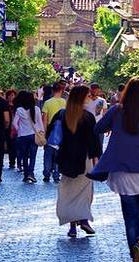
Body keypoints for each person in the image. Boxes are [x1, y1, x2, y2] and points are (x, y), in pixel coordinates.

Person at [89, 76, 139, 262]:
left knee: (131, 217)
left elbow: (98, 128)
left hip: (122, 173)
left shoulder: (117, 111)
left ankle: (135, 255)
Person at [54, 85, 101, 238]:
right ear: (81, 98)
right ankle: (84, 219)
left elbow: (51, 133)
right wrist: (97, 159)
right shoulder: (87, 117)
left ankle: (72, 226)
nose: (89, 97)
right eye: (87, 95)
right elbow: (94, 141)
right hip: (84, 159)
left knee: (68, 192)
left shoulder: (62, 115)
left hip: (66, 159)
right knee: (84, 192)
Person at [12, 90, 44, 184]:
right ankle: (31, 173)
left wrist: (19, 130)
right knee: (33, 156)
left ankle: (26, 175)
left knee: (25, 156)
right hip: (34, 135)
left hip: (23, 136)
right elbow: (40, 122)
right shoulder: (36, 109)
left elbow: (14, 123)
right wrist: (42, 132)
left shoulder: (19, 110)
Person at [41, 83, 67, 183]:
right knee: (58, 154)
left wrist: (44, 133)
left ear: (52, 91)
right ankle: (56, 174)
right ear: (61, 90)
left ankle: (47, 174)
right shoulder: (64, 102)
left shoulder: (47, 103)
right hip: (62, 131)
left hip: (50, 130)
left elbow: (45, 120)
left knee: (48, 154)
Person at [87, 83, 108, 153]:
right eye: (93, 89)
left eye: (96, 89)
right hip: (87, 127)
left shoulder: (102, 101)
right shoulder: (85, 100)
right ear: (90, 90)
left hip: (99, 126)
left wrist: (106, 126)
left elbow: (105, 114)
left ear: (99, 90)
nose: (94, 91)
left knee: (99, 147)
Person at [4, 90, 19, 172]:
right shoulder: (5, 105)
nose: (12, 97)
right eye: (10, 95)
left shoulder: (18, 106)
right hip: (8, 128)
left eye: (13, 95)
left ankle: (17, 160)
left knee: (16, 145)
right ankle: (12, 161)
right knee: (10, 144)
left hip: (17, 128)